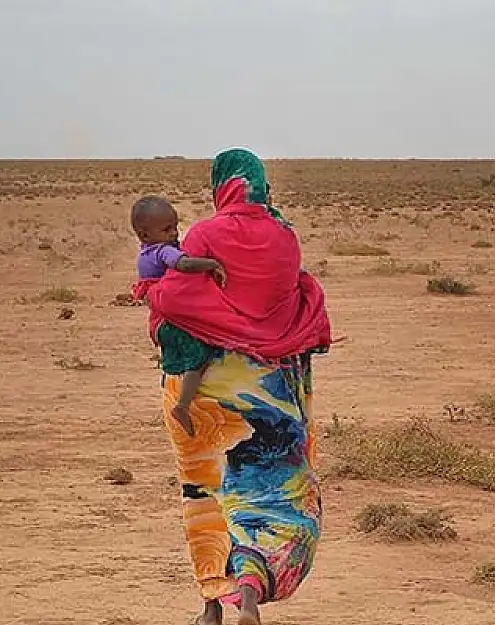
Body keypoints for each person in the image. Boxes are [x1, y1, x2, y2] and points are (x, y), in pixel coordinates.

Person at [146, 148, 332, 625]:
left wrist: (154, 292)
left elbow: (173, 298)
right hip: (268, 389)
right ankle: (249, 592)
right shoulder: (285, 238)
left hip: (205, 389)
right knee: (268, 492)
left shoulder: (206, 233)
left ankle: (211, 606)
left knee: (205, 492)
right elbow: (298, 298)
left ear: (221, 186)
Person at [129, 196, 226, 436]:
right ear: (144, 235)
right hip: (170, 322)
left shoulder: (146, 253)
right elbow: (183, 265)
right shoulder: (161, 252)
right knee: (200, 355)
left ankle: (176, 393)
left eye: (175, 227)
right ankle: (182, 406)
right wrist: (211, 263)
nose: (174, 233)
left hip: (159, 323)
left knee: (175, 363)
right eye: (166, 229)